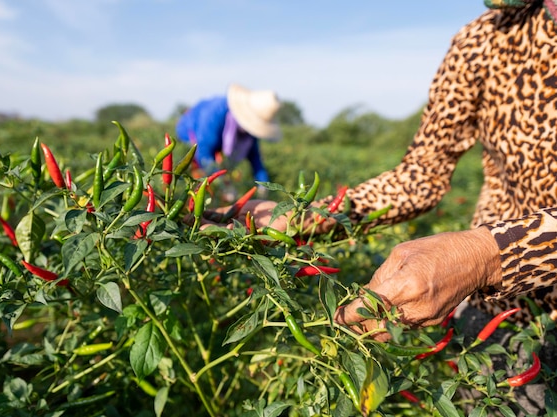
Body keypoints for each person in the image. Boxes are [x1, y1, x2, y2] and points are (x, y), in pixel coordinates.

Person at [203, 2, 557, 342]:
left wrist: (486, 254)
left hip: (490, 275)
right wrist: (311, 217)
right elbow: (420, 176)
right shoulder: (488, 38)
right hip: (504, 308)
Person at [175, 84, 283, 186]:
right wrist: (223, 184)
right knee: (194, 175)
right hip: (190, 136)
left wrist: (264, 185)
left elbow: (255, 158)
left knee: (216, 173)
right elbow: (203, 153)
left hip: (212, 143)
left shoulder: (248, 133)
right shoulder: (214, 114)